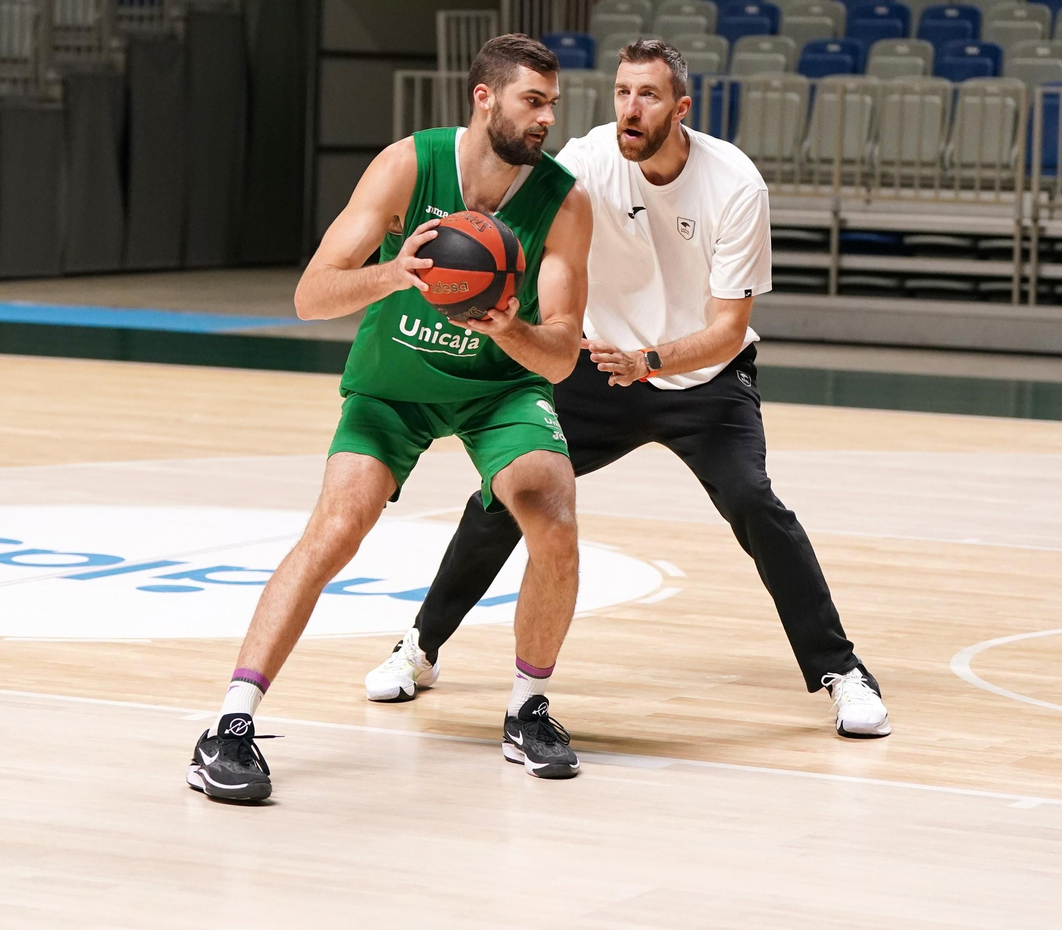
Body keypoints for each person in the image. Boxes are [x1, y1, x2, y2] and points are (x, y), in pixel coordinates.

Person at [365, 39, 890, 739]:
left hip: (702, 380)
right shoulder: (586, 161)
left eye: (647, 95)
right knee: (505, 493)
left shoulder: (735, 184)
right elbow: (516, 213)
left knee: (753, 502)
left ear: (681, 107)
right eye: (621, 92)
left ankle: (841, 671)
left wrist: (648, 361)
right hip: (598, 368)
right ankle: (420, 647)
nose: (630, 109)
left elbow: (728, 330)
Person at [186, 34, 594, 802]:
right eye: (532, 101)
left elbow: (563, 355)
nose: (546, 118)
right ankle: (228, 726)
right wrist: (397, 274)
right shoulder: (410, 164)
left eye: (552, 104)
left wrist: (509, 328)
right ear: (484, 98)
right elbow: (310, 297)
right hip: (393, 386)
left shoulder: (564, 202)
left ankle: (527, 709)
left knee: (554, 516)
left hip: (498, 388)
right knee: (337, 527)